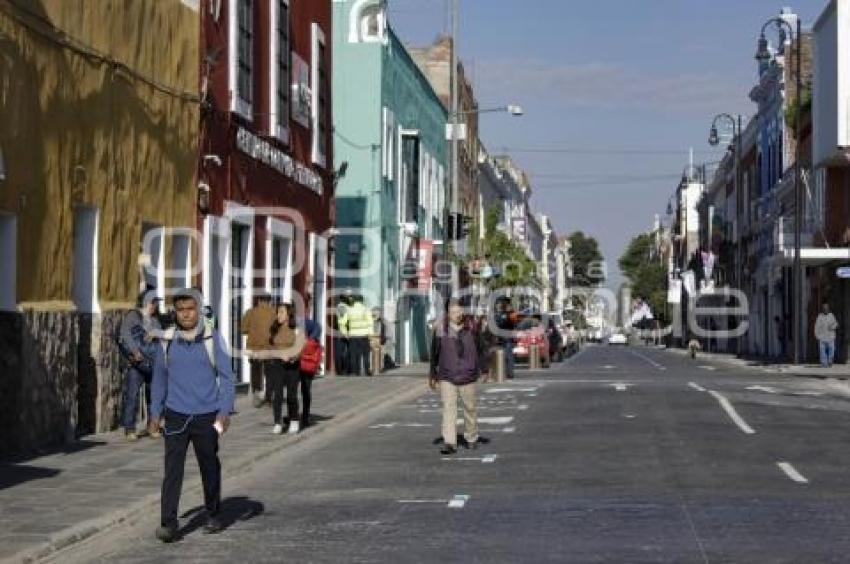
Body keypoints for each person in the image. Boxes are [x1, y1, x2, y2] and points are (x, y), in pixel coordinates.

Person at [149, 289, 235, 543]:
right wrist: (155, 412)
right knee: (172, 471)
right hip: (175, 417)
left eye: (190, 309)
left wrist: (224, 410)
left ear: (198, 310)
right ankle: (168, 523)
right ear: (175, 313)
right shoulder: (166, 342)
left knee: (209, 467)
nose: (186, 314)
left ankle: (212, 513)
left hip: (207, 418)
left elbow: (228, 378)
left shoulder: (212, 339)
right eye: (181, 310)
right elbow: (159, 381)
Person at [429, 300, 488, 456]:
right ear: (448, 313)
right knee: (449, 409)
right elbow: (434, 353)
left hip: (468, 374)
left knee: (470, 408)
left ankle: (472, 437)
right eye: (454, 311)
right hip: (447, 375)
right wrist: (432, 375)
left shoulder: (472, 327)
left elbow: (481, 349)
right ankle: (450, 442)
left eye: (459, 311)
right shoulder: (441, 329)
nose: (457, 314)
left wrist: (485, 369)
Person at [118, 288, 163, 441]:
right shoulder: (133, 315)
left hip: (152, 364)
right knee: (132, 395)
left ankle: (152, 425)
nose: (155, 305)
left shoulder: (155, 320)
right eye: (153, 302)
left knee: (153, 396)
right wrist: (134, 351)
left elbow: (160, 339)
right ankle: (130, 428)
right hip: (136, 364)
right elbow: (125, 334)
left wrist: (155, 335)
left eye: (156, 303)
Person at [267, 303, 306, 434]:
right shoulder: (274, 328)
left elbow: (301, 346)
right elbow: (270, 346)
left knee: (291, 395)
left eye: (281, 312)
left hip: (292, 366)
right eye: (278, 312)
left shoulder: (296, 329)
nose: (278, 315)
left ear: (289, 314)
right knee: (277, 395)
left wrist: (292, 356)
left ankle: (294, 419)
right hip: (277, 365)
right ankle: (278, 422)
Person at [241, 291, 277, 408]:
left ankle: (256, 393)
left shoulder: (250, 312)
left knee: (255, 371)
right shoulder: (274, 313)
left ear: (259, 300)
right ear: (269, 301)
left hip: (254, 347)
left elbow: (243, 329)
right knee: (270, 372)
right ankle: (268, 397)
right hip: (269, 347)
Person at [340, 294, 373, 376]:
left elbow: (342, 322)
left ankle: (355, 371)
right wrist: (370, 335)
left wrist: (344, 333)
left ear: (354, 301)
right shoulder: (366, 310)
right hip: (364, 335)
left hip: (353, 335)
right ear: (362, 301)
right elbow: (370, 323)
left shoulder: (349, 310)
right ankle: (367, 370)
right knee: (366, 354)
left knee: (353, 354)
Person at [494, 299, 516, 379]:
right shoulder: (500, 314)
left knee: (508, 356)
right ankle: (505, 372)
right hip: (501, 338)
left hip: (507, 338)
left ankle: (510, 373)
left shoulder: (510, 314)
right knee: (503, 356)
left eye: (502, 303)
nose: (500, 305)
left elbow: (510, 323)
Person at [815, 302, 839, 368]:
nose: (825, 309)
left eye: (826, 308)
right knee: (822, 350)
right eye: (824, 308)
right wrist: (817, 335)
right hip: (822, 337)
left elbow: (836, 324)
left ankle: (830, 361)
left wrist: (832, 327)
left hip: (830, 337)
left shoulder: (831, 316)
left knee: (831, 349)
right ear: (822, 309)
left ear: (828, 309)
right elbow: (816, 326)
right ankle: (824, 363)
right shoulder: (820, 316)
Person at [333, 295, 350, 375]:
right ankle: (344, 369)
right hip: (345, 331)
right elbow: (344, 321)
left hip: (339, 331)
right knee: (344, 352)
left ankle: (339, 369)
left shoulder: (337, 307)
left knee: (339, 351)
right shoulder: (345, 307)